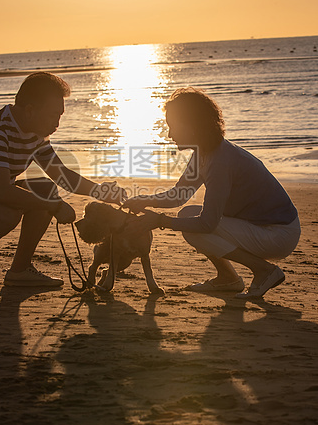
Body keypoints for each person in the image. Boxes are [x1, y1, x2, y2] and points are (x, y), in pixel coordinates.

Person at [0, 72, 126, 294]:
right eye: (53, 115)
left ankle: (19, 271)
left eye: (60, 116)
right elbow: (2, 192)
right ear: (30, 110)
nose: (57, 124)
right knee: (10, 210)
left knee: (45, 189)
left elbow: (63, 177)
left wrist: (102, 191)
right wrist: (55, 206)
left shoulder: (34, 134)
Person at [123, 87, 300, 299]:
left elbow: (208, 223)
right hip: (262, 227)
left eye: (173, 126)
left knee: (192, 226)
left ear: (193, 126)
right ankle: (228, 279)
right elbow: (179, 195)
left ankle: (263, 270)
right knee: (187, 215)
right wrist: (143, 201)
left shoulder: (219, 161)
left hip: (278, 233)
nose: (169, 134)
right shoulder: (203, 152)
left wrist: (160, 220)